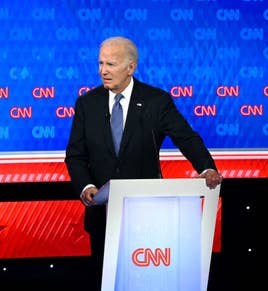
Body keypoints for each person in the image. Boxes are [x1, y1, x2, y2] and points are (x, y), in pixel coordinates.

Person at [65, 36, 222, 267]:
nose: (103, 71)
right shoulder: (87, 104)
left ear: (131, 67)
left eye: (111, 64)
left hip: (147, 211)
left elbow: (186, 138)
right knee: (104, 284)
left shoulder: (156, 101)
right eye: (100, 63)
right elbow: (75, 155)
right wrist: (87, 186)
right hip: (103, 214)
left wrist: (206, 167)